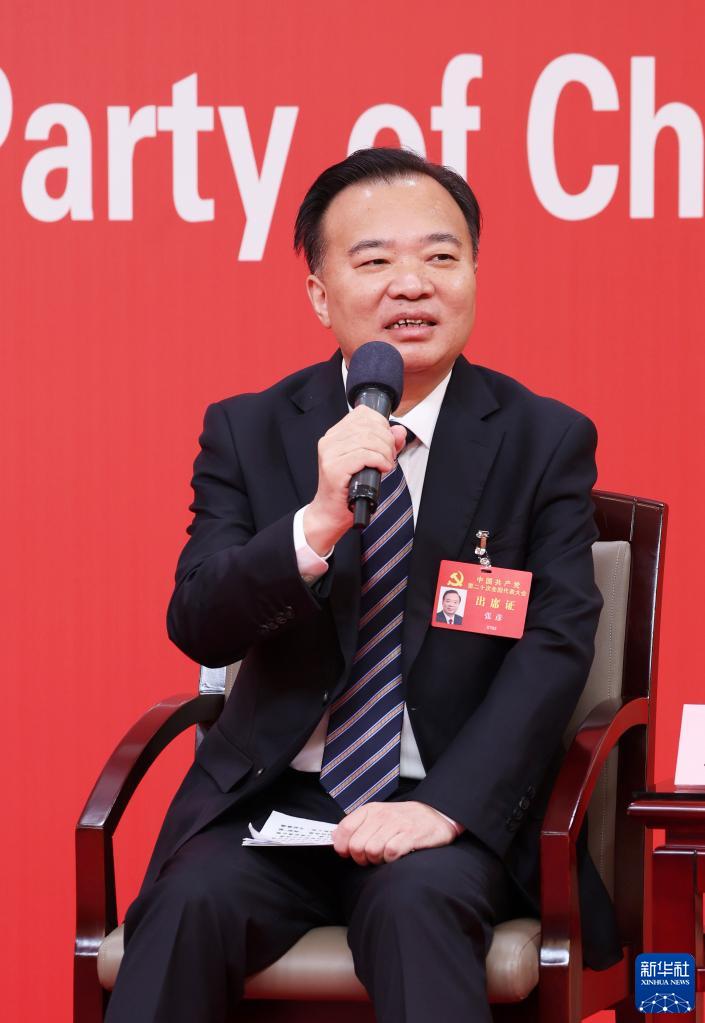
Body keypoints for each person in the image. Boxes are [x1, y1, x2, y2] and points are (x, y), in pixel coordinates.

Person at [105, 147, 623, 1023]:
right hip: (277, 804)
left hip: (449, 805)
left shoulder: (542, 439)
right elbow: (200, 621)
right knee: (189, 902)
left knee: (415, 907)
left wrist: (445, 808)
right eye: (375, 260)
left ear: (473, 274)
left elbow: (556, 641)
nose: (411, 285)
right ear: (319, 293)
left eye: (440, 256)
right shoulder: (249, 430)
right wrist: (314, 523)